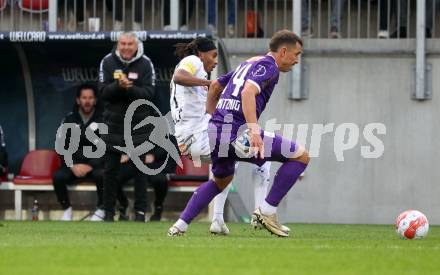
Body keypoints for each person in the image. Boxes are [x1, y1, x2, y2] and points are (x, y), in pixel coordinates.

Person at [168, 30, 308, 238]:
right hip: (235, 131)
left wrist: (213, 115)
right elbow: (247, 92)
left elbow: (215, 86)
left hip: (215, 131)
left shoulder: (247, 64)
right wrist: (253, 130)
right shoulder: (270, 67)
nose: (297, 60)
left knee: (221, 180)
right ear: (283, 51)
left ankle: (179, 225)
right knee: (300, 155)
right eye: (296, 54)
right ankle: (267, 212)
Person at [99, 31, 156, 222]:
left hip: (139, 125)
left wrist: (129, 88)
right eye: (122, 44)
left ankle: (140, 213)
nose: (125, 47)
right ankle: (108, 213)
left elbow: (150, 94)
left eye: (129, 44)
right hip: (113, 126)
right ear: (117, 44)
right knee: (110, 172)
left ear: (136, 45)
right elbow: (103, 92)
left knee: (141, 171)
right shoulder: (107, 61)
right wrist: (118, 86)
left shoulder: (146, 63)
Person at [52, 84, 107, 221]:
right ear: (78, 100)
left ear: (95, 100)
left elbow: (106, 147)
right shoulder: (69, 119)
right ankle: (66, 209)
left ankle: (101, 209)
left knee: (103, 175)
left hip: (95, 166)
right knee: (58, 176)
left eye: (90, 98)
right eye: (84, 98)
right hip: (74, 166)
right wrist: (72, 165)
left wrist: (91, 165)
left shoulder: (104, 119)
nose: (87, 101)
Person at [117, 135, 178, 221]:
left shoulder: (167, 133)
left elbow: (172, 151)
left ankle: (158, 206)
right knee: (112, 177)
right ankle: (124, 203)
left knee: (160, 180)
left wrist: (154, 156)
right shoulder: (134, 130)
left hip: (156, 167)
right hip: (134, 164)